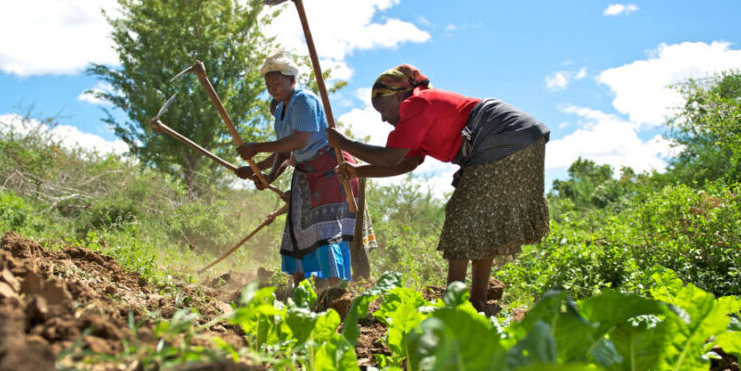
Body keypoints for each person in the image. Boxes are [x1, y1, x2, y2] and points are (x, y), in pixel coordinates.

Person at [326, 64, 550, 312]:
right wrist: (358, 170)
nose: (383, 118)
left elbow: (390, 158)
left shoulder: (416, 104)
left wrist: (345, 142)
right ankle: (476, 301)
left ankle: (453, 303)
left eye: (382, 110)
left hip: (503, 135)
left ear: (399, 97)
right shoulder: (415, 117)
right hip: (522, 137)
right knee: (485, 221)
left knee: (462, 216)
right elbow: (405, 163)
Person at [235, 49, 361, 292]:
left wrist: (257, 147)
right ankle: (300, 292)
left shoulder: (304, 100)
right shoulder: (281, 110)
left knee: (326, 232)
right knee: (296, 229)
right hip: (306, 173)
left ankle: (336, 293)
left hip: (330, 170)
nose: (273, 89)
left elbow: (299, 142)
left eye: (277, 83)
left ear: (292, 79)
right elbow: (285, 152)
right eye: (268, 85)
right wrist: (267, 176)